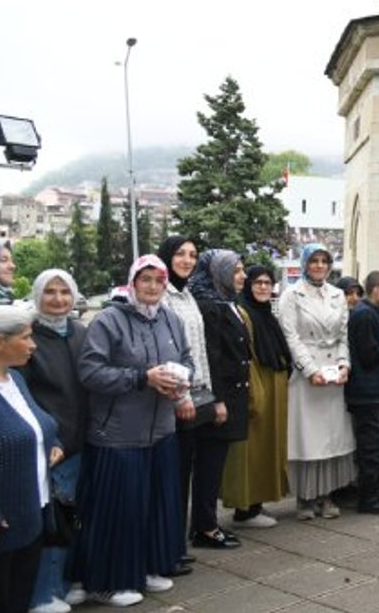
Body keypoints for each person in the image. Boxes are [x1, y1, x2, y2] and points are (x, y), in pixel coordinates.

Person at [75, 256, 194, 607]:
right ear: (132, 282)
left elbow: (186, 359)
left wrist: (180, 379)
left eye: (159, 280)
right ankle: (107, 581)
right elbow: (90, 371)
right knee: (119, 510)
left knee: (155, 506)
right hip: (117, 434)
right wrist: (142, 378)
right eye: (146, 279)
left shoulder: (171, 320)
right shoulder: (109, 320)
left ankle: (146, 568)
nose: (153, 286)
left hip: (160, 431)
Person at [23, 271, 88, 613]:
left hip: (81, 442)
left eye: (65, 292)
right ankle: (44, 594)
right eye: (50, 292)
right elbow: (22, 394)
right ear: (37, 296)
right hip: (52, 446)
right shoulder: (29, 336)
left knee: (74, 517)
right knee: (52, 522)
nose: (59, 299)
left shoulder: (80, 332)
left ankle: (67, 582)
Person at [278, 244, 354, 520]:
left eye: (324, 261)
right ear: (304, 264)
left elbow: (344, 334)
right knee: (307, 437)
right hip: (306, 374)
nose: (320, 266)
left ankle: (327, 494)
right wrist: (310, 370)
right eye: (314, 261)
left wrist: (345, 364)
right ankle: (304, 498)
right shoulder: (291, 295)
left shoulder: (337, 295)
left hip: (333, 369)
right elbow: (290, 336)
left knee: (332, 437)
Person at [0, 305, 62, 613]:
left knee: (20, 597)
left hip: (31, 511)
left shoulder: (16, 381)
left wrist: (52, 442)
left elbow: (36, 424)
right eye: (25, 337)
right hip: (2, 524)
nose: (33, 345)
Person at [155, 236, 215, 563]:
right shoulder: (162, 295)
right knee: (172, 478)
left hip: (195, 397)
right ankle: (167, 547)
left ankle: (175, 545)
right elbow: (168, 352)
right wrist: (183, 397)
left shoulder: (187, 294)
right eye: (180, 254)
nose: (187, 260)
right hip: (174, 401)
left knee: (182, 477)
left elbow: (197, 350)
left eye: (192, 255)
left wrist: (206, 392)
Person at [185, 250, 249, 551]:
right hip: (218, 399)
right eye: (236, 271)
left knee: (215, 463)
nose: (243, 277)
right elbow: (212, 357)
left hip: (231, 395)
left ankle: (206, 521)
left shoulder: (225, 303)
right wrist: (218, 401)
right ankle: (205, 527)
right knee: (209, 465)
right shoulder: (210, 306)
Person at [221, 265, 291, 529]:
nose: (263, 287)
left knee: (267, 449)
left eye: (267, 282)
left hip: (272, 385)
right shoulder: (243, 312)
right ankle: (245, 509)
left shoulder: (267, 315)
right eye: (257, 282)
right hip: (256, 388)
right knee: (250, 451)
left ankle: (256, 504)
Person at [344, 271, 379, 514]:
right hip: (366, 393)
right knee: (369, 447)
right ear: (376, 289)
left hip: (376, 390)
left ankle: (374, 490)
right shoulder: (364, 314)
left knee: (374, 445)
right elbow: (368, 357)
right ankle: (369, 498)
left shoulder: (374, 312)